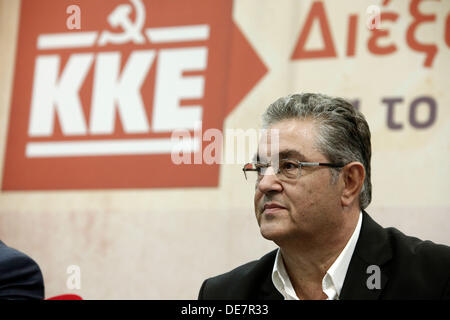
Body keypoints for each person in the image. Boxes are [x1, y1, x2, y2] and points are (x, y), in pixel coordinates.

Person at [198, 93, 450, 300]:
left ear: (349, 182)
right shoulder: (224, 295)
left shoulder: (435, 276)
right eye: (261, 168)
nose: (265, 183)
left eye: (288, 166)